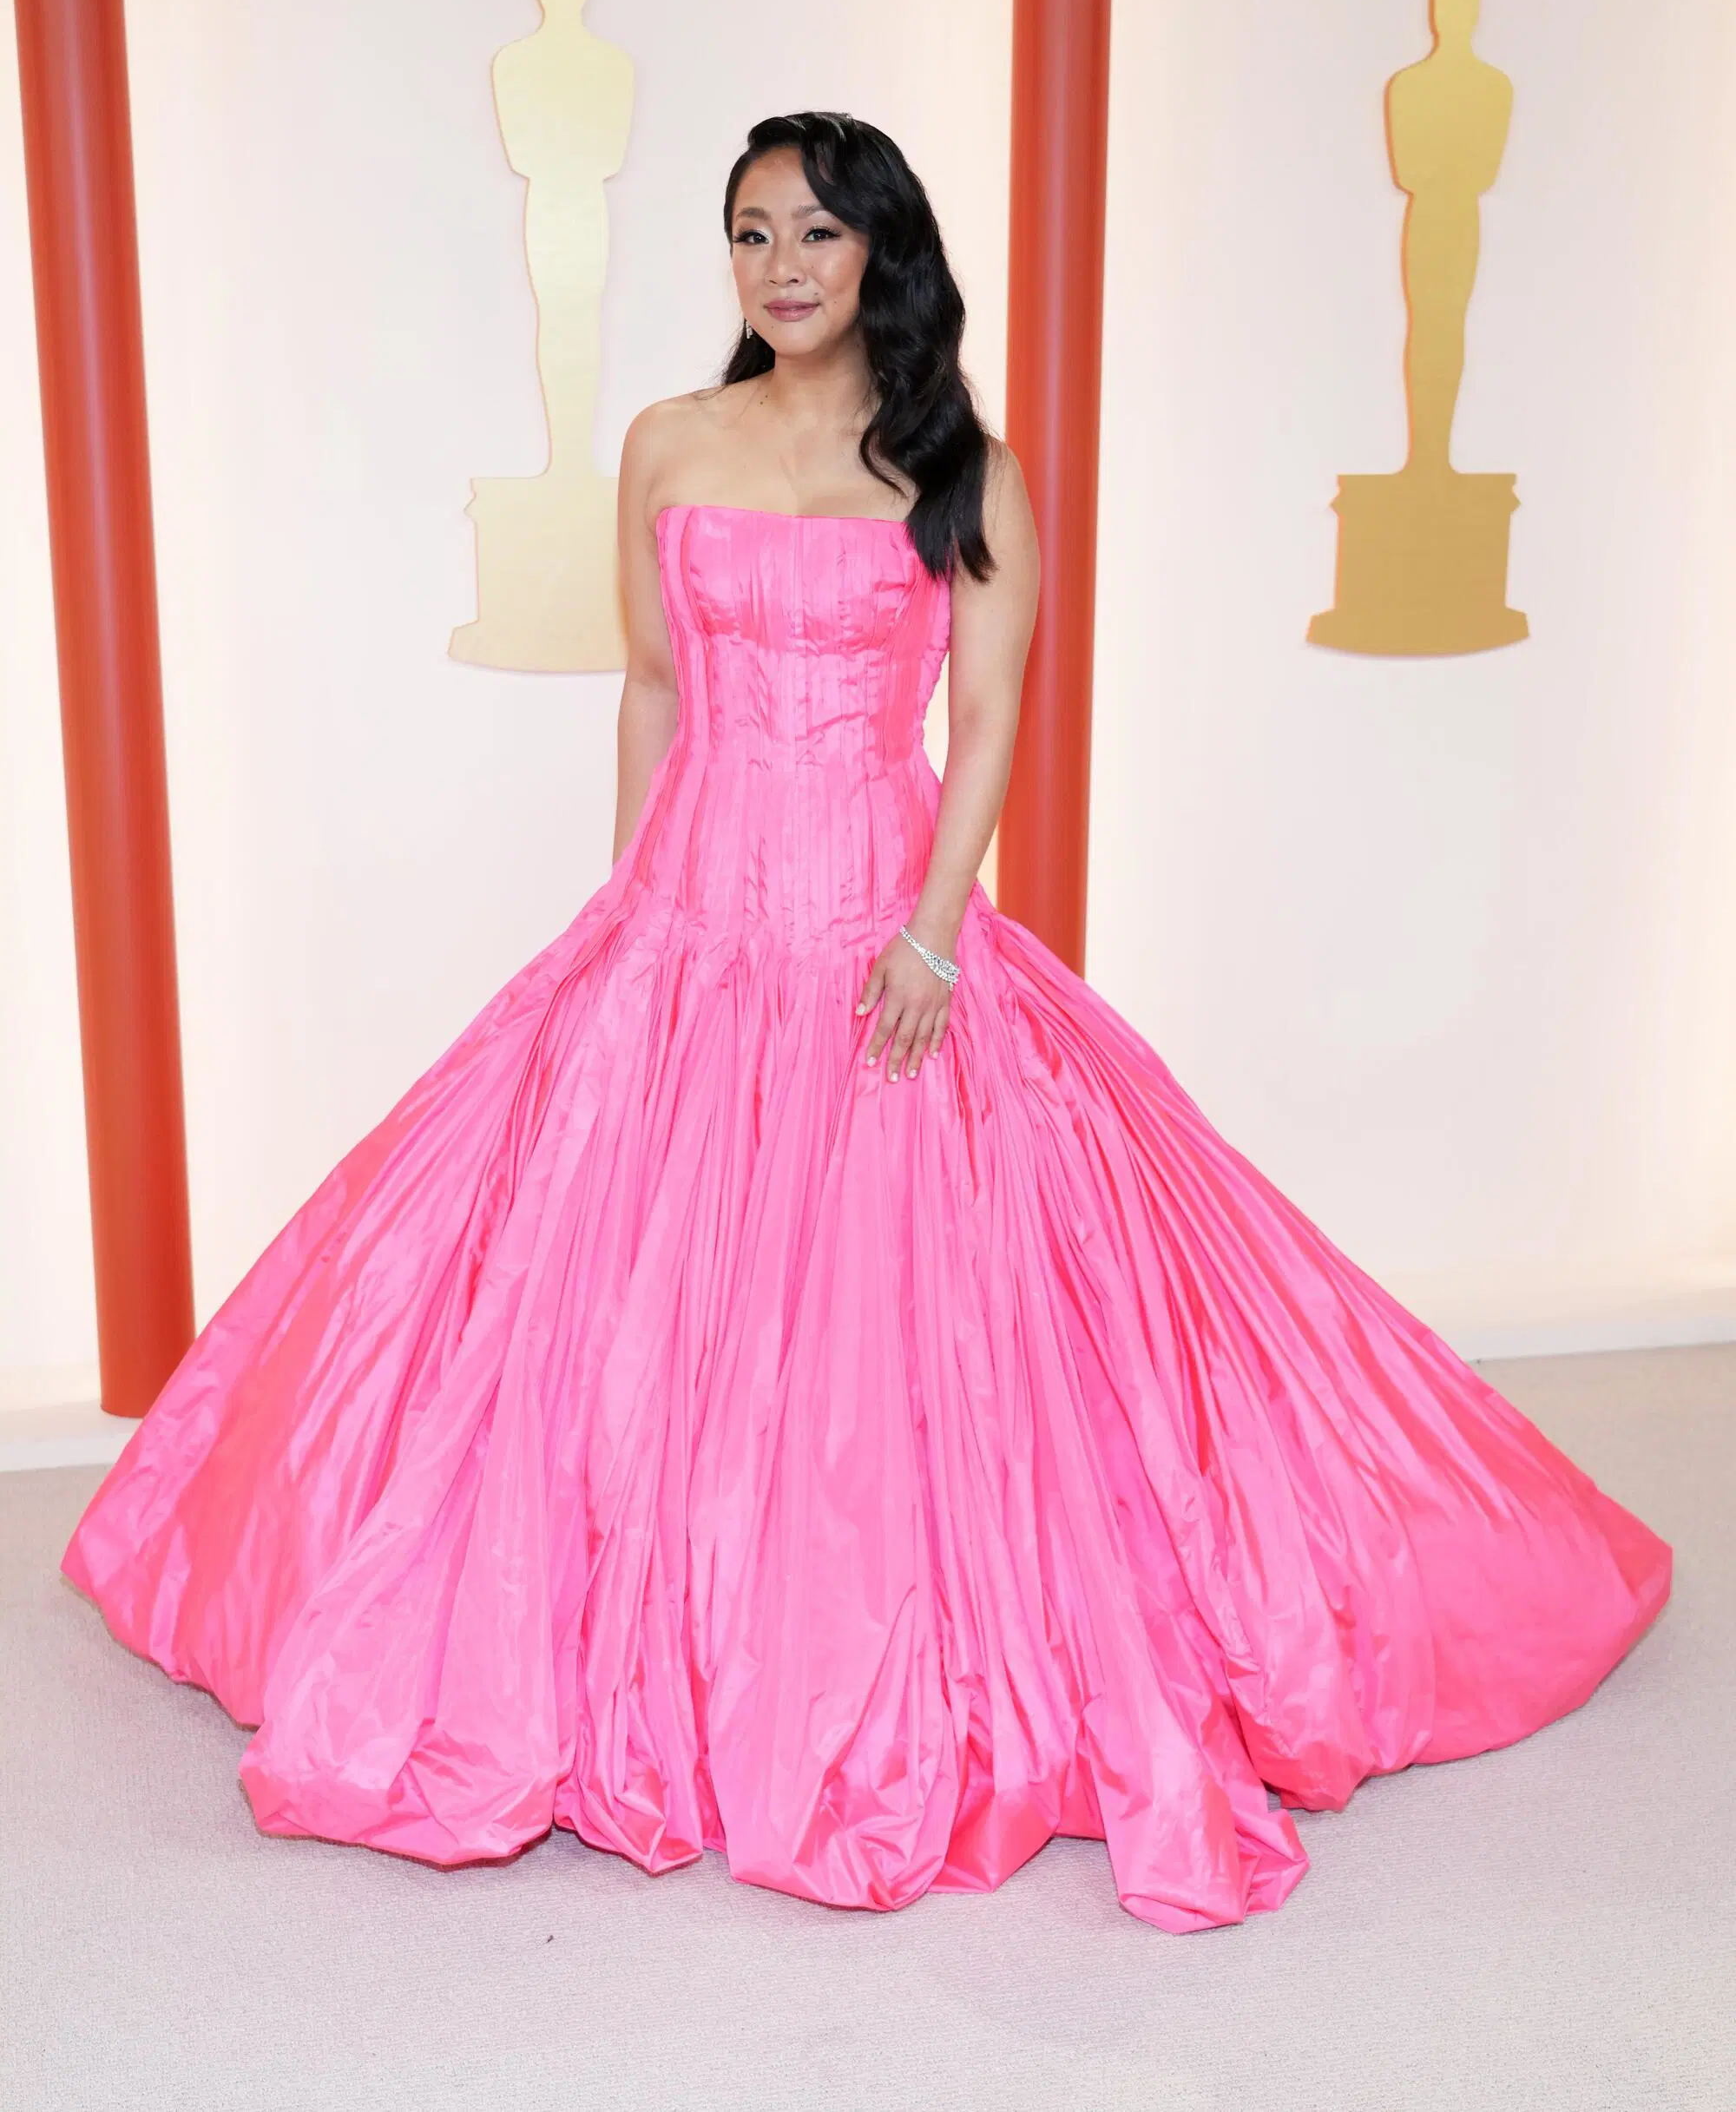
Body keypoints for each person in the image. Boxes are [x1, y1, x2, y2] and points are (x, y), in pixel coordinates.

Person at [62, 111, 1670, 1935]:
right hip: (682, 924)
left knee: (925, 1341)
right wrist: (621, 919)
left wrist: (927, 940)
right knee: (592, 1315)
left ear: (881, 252)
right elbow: (656, 692)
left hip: (876, 935)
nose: (779, 268)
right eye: (750, 236)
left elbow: (982, 725)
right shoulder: (669, 443)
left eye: (816, 234)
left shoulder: (962, 471)